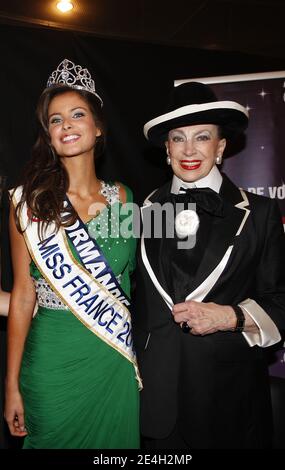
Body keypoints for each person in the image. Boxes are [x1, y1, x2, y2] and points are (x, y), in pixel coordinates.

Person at [133, 81, 285, 449]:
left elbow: (281, 301)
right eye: (177, 138)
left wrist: (230, 317)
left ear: (220, 147)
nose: (188, 150)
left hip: (230, 402)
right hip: (156, 401)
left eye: (202, 137)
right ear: (166, 149)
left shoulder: (260, 214)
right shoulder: (141, 211)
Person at [4, 59, 140, 449]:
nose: (66, 125)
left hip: (112, 358)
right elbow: (22, 296)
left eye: (77, 115)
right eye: (55, 119)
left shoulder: (126, 199)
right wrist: (10, 385)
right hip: (51, 360)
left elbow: (129, 281)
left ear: (98, 128)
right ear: (48, 135)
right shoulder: (25, 202)